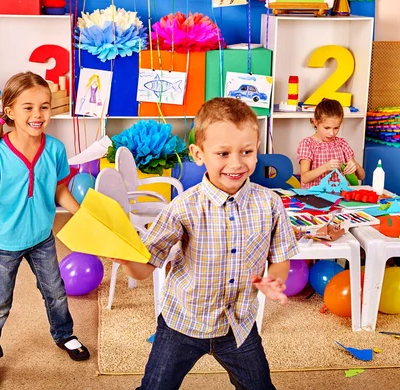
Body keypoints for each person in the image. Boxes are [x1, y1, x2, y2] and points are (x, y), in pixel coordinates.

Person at [116, 97, 299, 390]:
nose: (236, 163)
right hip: (182, 323)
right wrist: (126, 260)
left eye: (247, 151)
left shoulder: (271, 204)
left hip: (237, 325)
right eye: (223, 153)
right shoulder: (183, 207)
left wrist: (274, 280)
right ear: (198, 154)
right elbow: (144, 268)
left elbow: (280, 258)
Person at [0, 72, 89, 389]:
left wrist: (82, 215)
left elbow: (60, 191)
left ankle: (64, 334)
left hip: (41, 238)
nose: (38, 115)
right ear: (8, 110)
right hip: (4, 243)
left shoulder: (55, 149)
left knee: (56, 293)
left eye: (44, 107)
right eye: (28, 107)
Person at [297, 99, 365, 188]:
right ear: (316, 122)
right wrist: (325, 167)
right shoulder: (307, 144)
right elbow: (304, 178)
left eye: (336, 128)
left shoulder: (341, 144)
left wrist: (355, 165)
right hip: (315, 196)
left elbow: (361, 176)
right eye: (327, 128)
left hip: (340, 195)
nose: (332, 133)